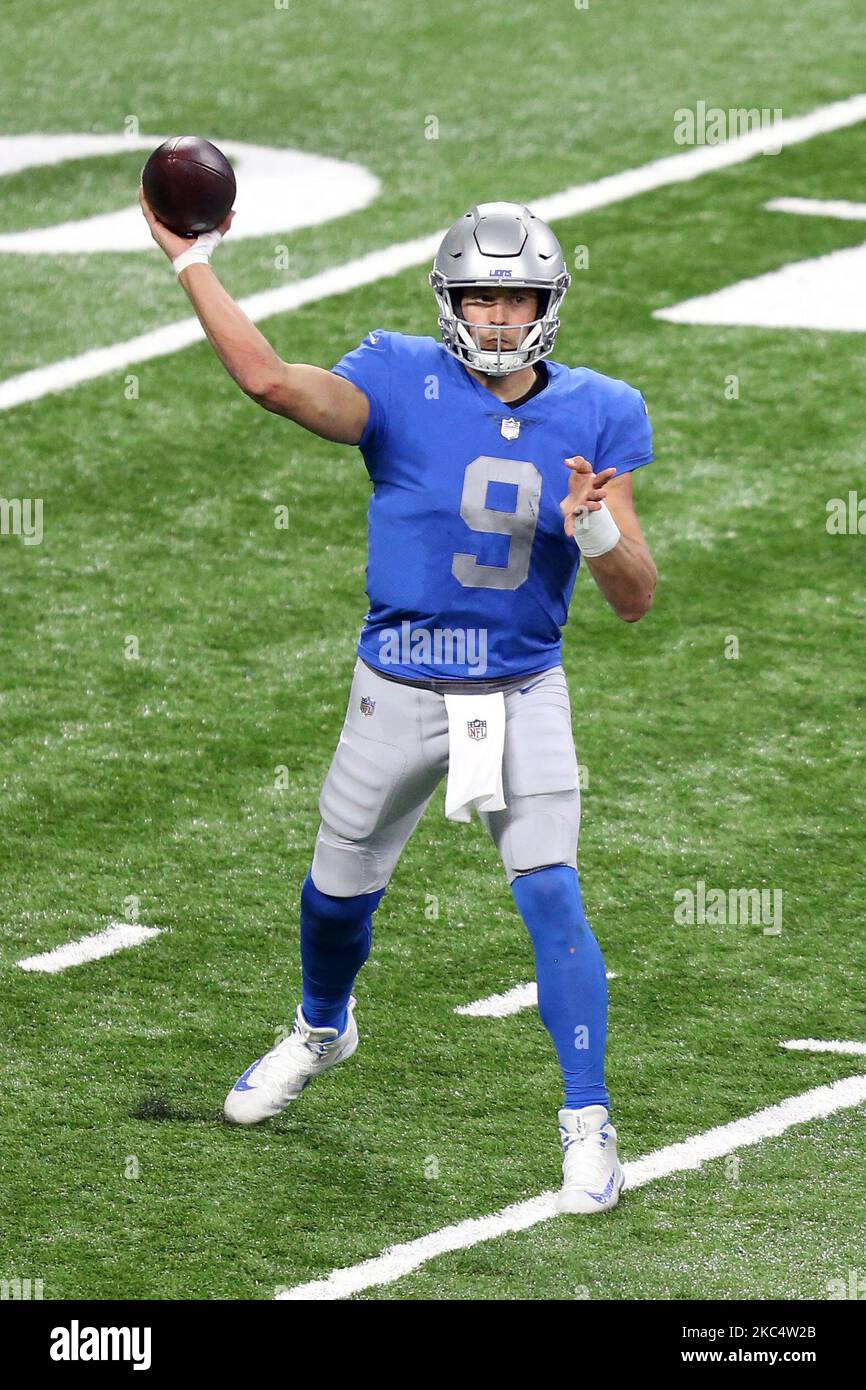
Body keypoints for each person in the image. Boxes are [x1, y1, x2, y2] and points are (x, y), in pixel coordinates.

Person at [140, 193, 657, 1214]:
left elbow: (635, 597)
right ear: (449, 298)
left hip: (517, 688)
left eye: (515, 296)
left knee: (549, 889)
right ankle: (322, 1028)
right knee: (335, 897)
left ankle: (587, 1122)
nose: (499, 315)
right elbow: (270, 382)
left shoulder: (602, 407)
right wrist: (191, 262)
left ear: (545, 302)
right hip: (399, 683)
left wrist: (594, 533)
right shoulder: (394, 372)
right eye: (481, 294)